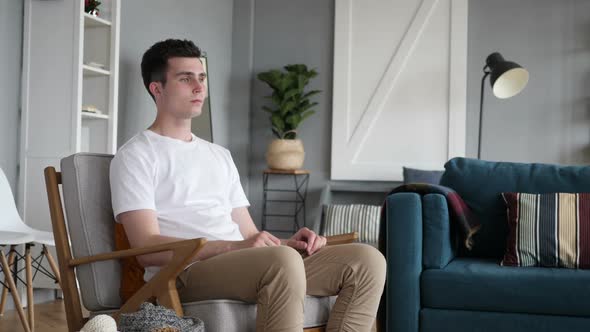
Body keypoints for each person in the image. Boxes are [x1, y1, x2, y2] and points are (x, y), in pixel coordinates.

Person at [110, 39, 386, 332]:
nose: (199, 87)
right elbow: (145, 248)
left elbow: (250, 234)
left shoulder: (219, 155)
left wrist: (289, 243)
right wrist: (233, 247)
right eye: (185, 78)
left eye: (201, 77)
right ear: (157, 88)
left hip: (245, 262)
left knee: (367, 261)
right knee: (281, 263)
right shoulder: (135, 155)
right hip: (184, 272)